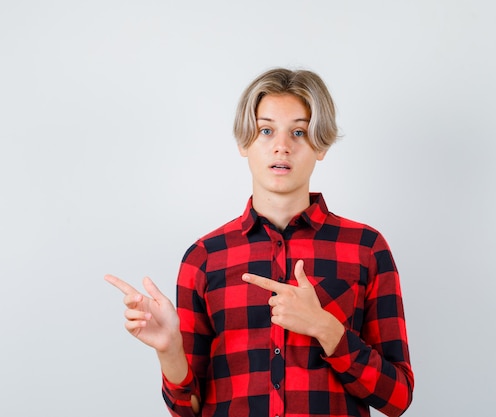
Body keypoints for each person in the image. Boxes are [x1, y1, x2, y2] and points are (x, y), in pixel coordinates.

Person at [105, 68, 414, 417]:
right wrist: (170, 351)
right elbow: (187, 410)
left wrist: (325, 328)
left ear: (321, 145)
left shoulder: (366, 249)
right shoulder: (204, 258)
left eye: (299, 132)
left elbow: (397, 398)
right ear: (244, 143)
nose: (282, 145)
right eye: (266, 131)